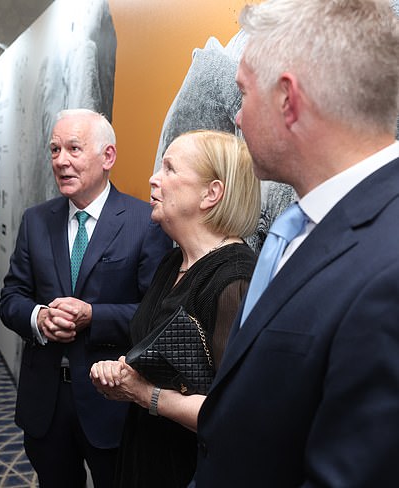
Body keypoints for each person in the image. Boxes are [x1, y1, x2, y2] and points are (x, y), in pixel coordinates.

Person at [181, 1, 397, 486]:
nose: (235, 117)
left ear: (288, 101)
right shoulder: (298, 227)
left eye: (242, 93)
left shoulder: (389, 270)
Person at [0, 108, 172, 488]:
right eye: (55, 149)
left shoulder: (146, 223)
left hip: (111, 399)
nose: (61, 161)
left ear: (107, 156)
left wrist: (93, 315)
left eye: (74, 149)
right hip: (45, 399)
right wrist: (38, 317)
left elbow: (156, 315)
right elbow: (11, 297)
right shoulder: (35, 221)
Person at [90, 129, 260, 487]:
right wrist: (122, 371)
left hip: (191, 468)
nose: (153, 178)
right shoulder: (172, 263)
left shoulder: (234, 279)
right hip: (146, 453)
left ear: (211, 194)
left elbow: (232, 413)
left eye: (169, 169)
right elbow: (163, 361)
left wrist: (143, 394)